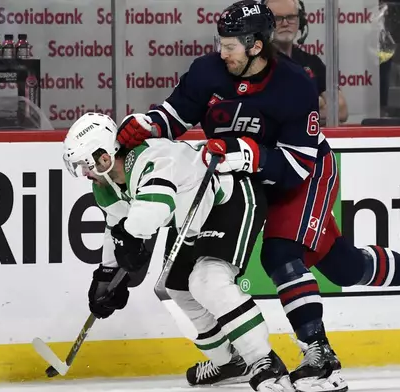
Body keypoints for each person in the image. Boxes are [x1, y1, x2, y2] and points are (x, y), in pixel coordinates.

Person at [115, 2, 400, 392]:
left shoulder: (296, 83)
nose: (222, 52)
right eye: (221, 43)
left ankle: (319, 355)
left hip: (305, 172)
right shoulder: (207, 71)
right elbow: (175, 116)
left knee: (280, 253)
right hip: (244, 178)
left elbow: (296, 164)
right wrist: (148, 124)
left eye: (231, 45)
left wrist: (246, 153)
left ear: (256, 46)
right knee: (342, 268)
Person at [62, 112, 294, 392]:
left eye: (84, 164)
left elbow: (155, 207)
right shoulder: (106, 186)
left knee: (208, 280)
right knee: (178, 288)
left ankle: (264, 360)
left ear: (103, 156)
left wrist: (129, 235)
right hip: (190, 218)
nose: (84, 173)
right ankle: (230, 361)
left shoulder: (150, 157)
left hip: (229, 200)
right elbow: (116, 226)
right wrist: (106, 275)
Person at [265, 0, 348, 123]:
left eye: (291, 17)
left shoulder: (312, 62)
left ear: (300, 21)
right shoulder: (257, 62)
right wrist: (317, 102)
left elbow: (340, 110)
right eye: (277, 18)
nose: (285, 23)